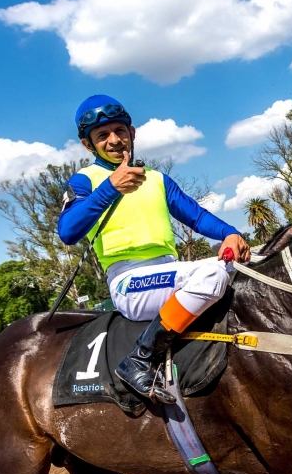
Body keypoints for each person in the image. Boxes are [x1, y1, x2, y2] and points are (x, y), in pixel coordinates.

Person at [58, 95, 251, 404]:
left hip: (171, 272)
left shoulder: (157, 179)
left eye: (120, 131)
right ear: (88, 145)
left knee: (250, 267)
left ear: (132, 134)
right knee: (212, 275)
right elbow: (67, 231)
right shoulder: (85, 180)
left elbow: (197, 216)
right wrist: (110, 187)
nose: (114, 140)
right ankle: (139, 359)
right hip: (129, 282)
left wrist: (230, 234)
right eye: (102, 136)